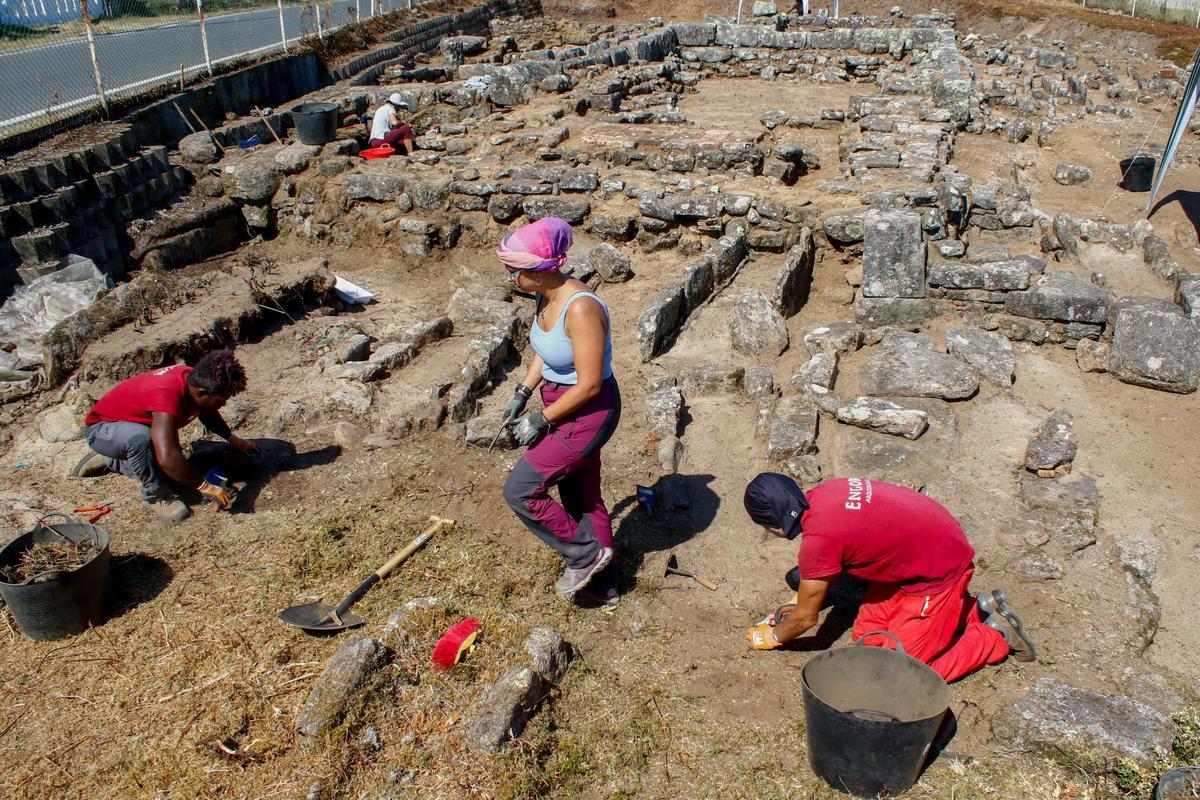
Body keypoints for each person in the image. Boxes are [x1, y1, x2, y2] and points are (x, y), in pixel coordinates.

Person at [742, 473, 1036, 682]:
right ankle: (976, 610)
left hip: (937, 571)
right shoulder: (827, 492)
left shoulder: (819, 541)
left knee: (901, 674)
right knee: (870, 642)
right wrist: (799, 600)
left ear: (772, 524)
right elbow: (828, 565)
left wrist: (772, 636)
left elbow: (806, 619)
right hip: (918, 553)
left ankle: (994, 636)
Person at [499, 217, 622, 603]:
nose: (510, 278)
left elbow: (589, 384)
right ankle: (604, 586)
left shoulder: (580, 309)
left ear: (539, 273)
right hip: (560, 401)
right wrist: (523, 393)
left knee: (520, 489)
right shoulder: (544, 295)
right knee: (582, 496)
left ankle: (586, 554)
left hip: (588, 411)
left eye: (515, 272)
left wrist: (541, 418)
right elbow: (545, 349)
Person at [72, 350, 259, 521]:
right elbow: (168, 457)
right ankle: (155, 496)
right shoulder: (166, 395)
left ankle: (118, 460)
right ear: (201, 393)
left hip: (135, 426)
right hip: (102, 430)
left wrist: (234, 440)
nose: (223, 405)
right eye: (220, 400)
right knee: (141, 441)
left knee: (171, 471)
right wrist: (205, 487)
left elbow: (206, 410)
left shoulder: (194, 381)